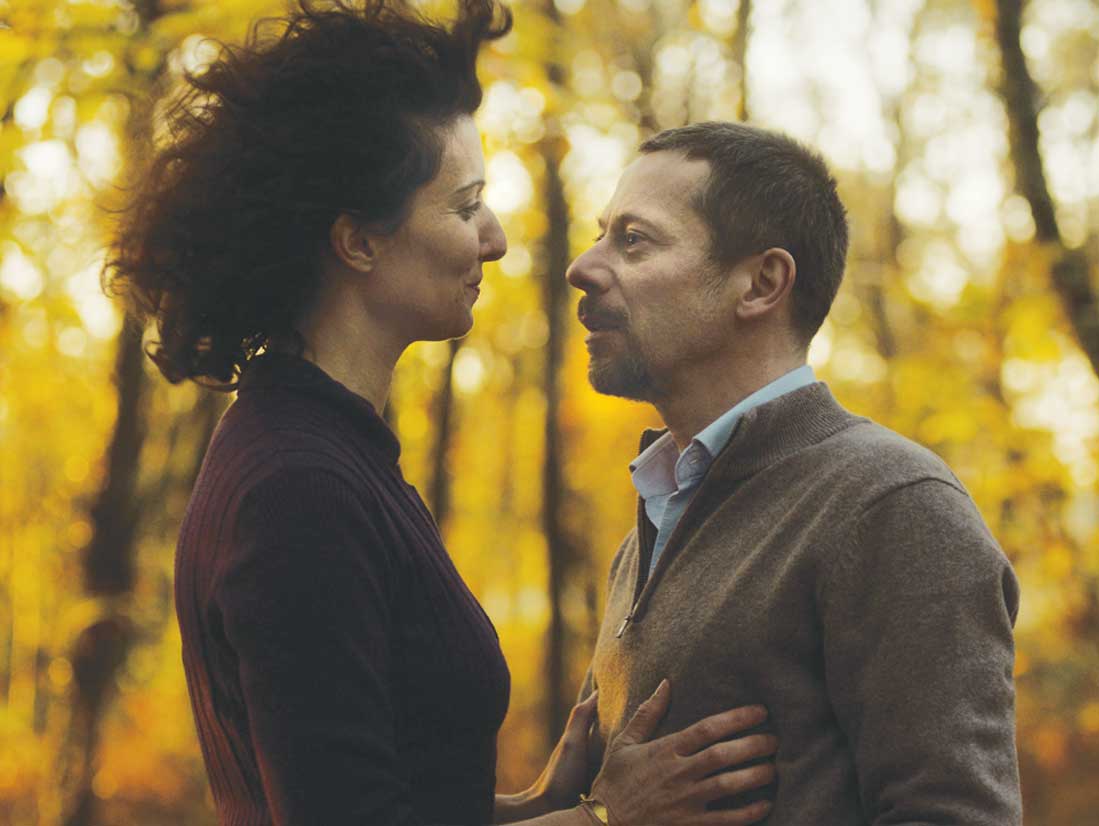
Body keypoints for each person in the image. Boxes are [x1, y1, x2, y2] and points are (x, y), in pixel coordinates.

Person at [104, 2, 781, 824]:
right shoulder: (297, 488)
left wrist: (536, 804)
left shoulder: (333, 452)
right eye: (465, 207)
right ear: (359, 241)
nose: (495, 239)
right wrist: (606, 819)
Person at [565, 121, 1023, 825]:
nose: (583, 267)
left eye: (633, 240)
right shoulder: (649, 529)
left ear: (762, 283)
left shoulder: (889, 506)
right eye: (601, 234)